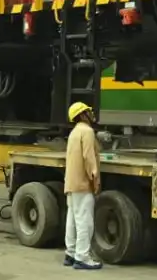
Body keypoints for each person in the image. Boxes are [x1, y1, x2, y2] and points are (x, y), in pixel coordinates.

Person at [63, 101, 102, 270]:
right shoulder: (87, 131)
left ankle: (70, 253)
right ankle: (82, 257)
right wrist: (95, 179)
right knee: (85, 221)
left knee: (72, 219)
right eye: (88, 111)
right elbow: (88, 157)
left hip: (71, 183)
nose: (91, 114)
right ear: (83, 115)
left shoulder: (74, 133)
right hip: (82, 183)